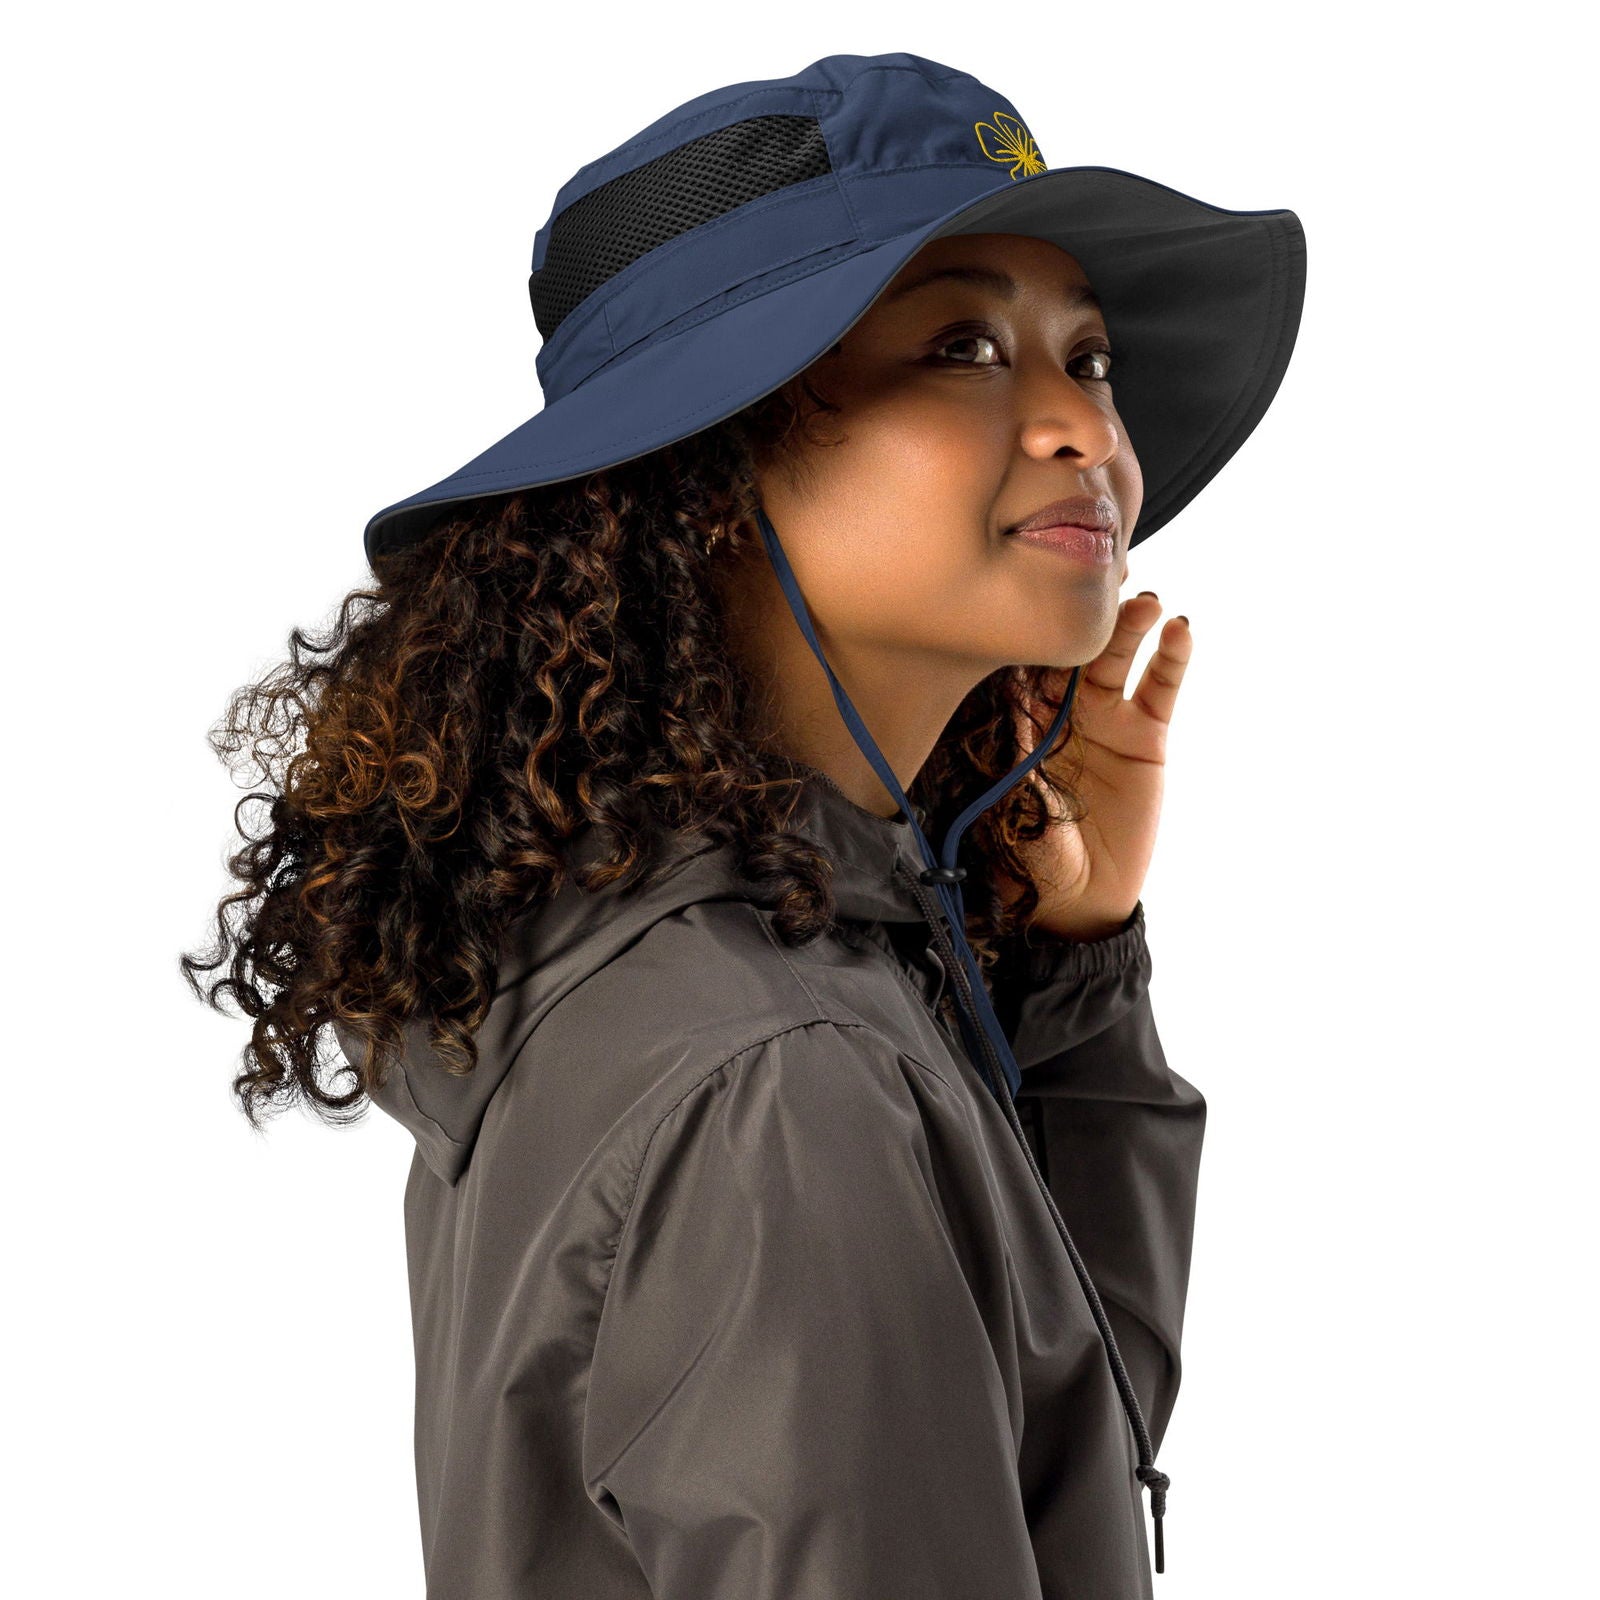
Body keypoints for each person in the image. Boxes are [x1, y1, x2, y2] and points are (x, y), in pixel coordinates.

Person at [182, 51, 1305, 1598]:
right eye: (967, 344)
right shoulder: (780, 1081)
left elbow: (1051, 1477)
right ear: (709, 459)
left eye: (1091, 354)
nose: (1083, 430)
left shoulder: (694, 963)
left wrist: (1072, 969)